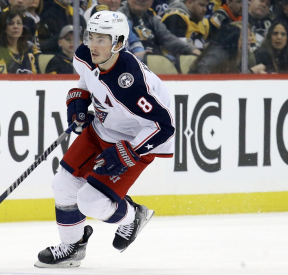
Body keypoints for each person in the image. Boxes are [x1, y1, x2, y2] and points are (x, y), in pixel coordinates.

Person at [34, 10, 175, 268]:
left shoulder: (131, 83)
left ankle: (132, 216)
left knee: (92, 202)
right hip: (101, 128)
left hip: (136, 141)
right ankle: (72, 248)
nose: (94, 45)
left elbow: (163, 126)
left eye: (102, 39)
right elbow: (86, 79)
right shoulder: (86, 54)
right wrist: (78, 99)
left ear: (119, 43)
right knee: (63, 186)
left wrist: (128, 151)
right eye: (91, 37)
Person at [118, 0, 201, 58]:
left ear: (151, 2)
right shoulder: (119, 17)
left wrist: (192, 49)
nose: (142, 0)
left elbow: (169, 39)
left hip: (156, 61)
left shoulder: (152, 18)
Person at [189, 22, 266, 73]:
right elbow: (202, 72)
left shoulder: (237, 54)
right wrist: (252, 72)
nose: (249, 39)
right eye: (242, 36)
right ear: (233, 38)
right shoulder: (218, 53)